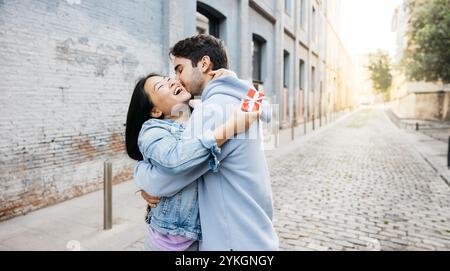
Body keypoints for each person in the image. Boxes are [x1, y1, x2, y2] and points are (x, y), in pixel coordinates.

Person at [135, 34, 279, 250]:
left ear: (203, 63)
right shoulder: (238, 98)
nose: (176, 78)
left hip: (233, 240)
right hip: (252, 233)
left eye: (179, 69)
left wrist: (140, 174)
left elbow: (174, 173)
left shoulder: (212, 110)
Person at [125, 70, 260, 251]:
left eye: (169, 79)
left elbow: (258, 99)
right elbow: (175, 159)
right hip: (167, 242)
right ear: (155, 110)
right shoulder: (152, 130)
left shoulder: (201, 115)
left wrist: (232, 78)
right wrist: (230, 128)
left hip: (200, 237)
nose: (173, 81)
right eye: (161, 86)